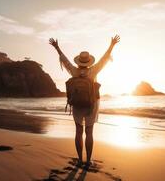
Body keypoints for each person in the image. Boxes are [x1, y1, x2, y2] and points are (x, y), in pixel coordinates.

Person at [49, 35, 120, 168]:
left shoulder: (74, 71)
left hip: (77, 104)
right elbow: (105, 58)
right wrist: (112, 45)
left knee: (78, 131)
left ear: (78, 62)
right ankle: (88, 161)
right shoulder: (94, 70)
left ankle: (80, 160)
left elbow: (65, 60)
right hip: (92, 104)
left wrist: (57, 47)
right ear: (89, 62)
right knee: (89, 132)